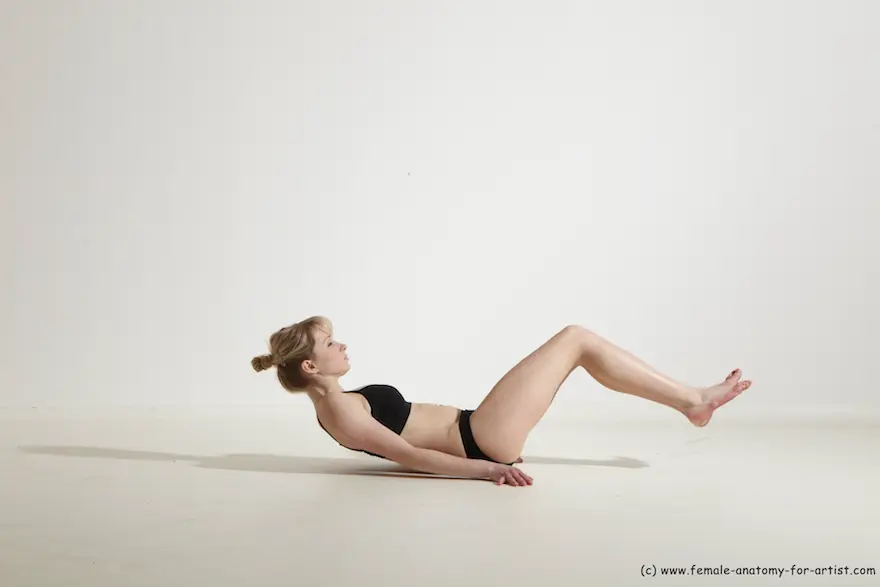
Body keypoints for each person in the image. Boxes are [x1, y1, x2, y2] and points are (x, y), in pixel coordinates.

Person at [251, 316, 752, 487]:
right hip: (480, 441)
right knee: (576, 339)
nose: (341, 345)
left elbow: (409, 444)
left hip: (478, 428)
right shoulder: (340, 410)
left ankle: (690, 400)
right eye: (330, 343)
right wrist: (489, 469)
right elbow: (411, 456)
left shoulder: (340, 402)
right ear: (310, 367)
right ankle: (692, 400)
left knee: (577, 343)